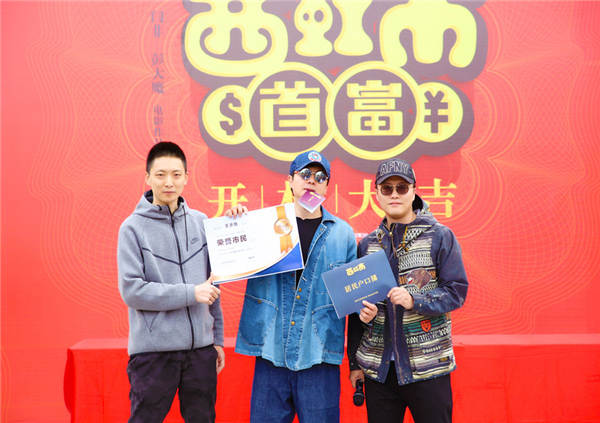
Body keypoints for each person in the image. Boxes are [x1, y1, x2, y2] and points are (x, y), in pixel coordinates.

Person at [227, 150, 357, 423]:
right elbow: (227, 261)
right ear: (290, 180)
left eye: (320, 177)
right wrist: (234, 225)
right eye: (305, 174)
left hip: (319, 355)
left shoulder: (343, 234)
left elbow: (352, 298)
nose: (312, 181)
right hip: (271, 351)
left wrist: (364, 308)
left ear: (327, 186)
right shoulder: (263, 226)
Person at [347, 158, 468, 423]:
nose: (394, 194)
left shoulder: (439, 236)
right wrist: (356, 359)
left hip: (428, 367)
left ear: (413, 191)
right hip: (379, 371)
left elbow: (456, 291)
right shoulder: (368, 245)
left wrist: (415, 300)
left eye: (401, 187)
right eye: (387, 188)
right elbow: (356, 310)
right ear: (377, 194)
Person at [117, 141, 224, 423]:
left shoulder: (202, 222)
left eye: (176, 175)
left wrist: (217, 340)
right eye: (161, 174)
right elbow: (132, 291)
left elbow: (213, 286)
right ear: (147, 178)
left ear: (186, 177)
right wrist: (191, 293)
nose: (169, 182)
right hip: (154, 354)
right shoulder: (132, 228)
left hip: (200, 352)